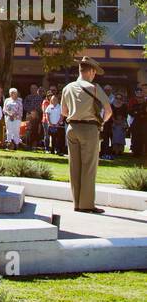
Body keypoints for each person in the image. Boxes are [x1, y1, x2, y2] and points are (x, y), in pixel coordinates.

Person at [61, 58, 113, 214]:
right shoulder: (94, 88)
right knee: (89, 167)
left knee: (74, 166)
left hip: (71, 128)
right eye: (94, 72)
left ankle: (76, 203)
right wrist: (102, 122)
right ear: (90, 71)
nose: (94, 75)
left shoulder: (67, 87)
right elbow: (108, 110)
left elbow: (64, 112)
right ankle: (87, 204)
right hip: (89, 128)